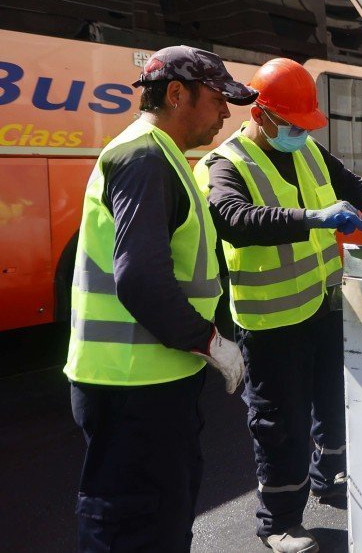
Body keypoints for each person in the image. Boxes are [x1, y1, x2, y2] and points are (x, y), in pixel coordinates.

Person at [195, 58, 362, 553]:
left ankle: (331, 476)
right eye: (293, 125)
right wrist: (314, 217)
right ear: (261, 115)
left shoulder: (305, 146)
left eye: (305, 125)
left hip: (322, 305)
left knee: (332, 400)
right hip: (270, 321)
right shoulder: (226, 163)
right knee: (280, 424)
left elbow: (348, 179)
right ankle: (279, 521)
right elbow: (235, 219)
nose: (301, 134)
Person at [65, 46, 253, 551]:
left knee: (160, 520)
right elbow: (141, 280)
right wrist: (210, 342)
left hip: (150, 382)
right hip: (133, 387)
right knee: (131, 527)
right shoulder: (146, 158)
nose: (226, 113)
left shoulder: (160, 155)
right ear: (176, 94)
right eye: (217, 99)